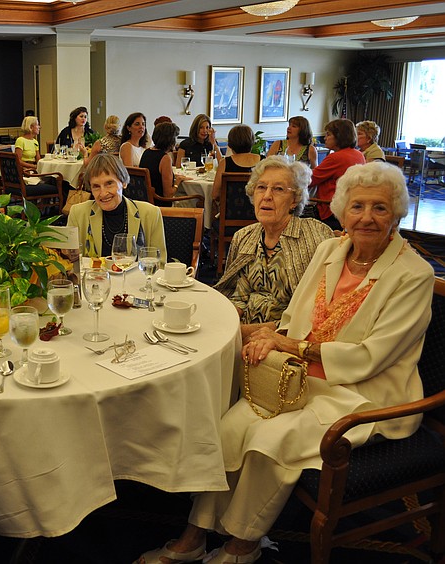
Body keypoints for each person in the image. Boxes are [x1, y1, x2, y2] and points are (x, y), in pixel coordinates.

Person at [136, 161, 433, 564]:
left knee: (266, 443)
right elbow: (295, 316)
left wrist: (290, 347)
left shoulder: (413, 274)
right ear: (342, 211)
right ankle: (196, 534)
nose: (366, 217)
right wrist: (270, 341)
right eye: (357, 206)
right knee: (229, 427)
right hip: (299, 379)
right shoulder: (331, 249)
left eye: (379, 208)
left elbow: (371, 357)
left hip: (365, 396)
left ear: (397, 213)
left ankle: (243, 544)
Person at [214, 156, 334, 340]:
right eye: (261, 187)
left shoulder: (315, 236)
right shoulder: (244, 236)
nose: (267, 196)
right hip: (242, 332)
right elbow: (237, 295)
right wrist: (227, 324)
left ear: (295, 199)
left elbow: (316, 308)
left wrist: (240, 333)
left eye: (278, 189)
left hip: (289, 336)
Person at [68, 153, 166, 258]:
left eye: (109, 183)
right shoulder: (78, 213)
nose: (103, 193)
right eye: (96, 186)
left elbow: (159, 264)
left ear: (123, 183)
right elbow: (72, 263)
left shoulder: (150, 214)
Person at [310, 118, 366, 231]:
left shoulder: (336, 157)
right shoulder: (358, 154)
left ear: (339, 136)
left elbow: (310, 179)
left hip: (330, 210)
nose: (325, 138)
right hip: (348, 207)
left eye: (328, 134)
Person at [139, 121, 188, 204]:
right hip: (160, 205)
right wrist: (177, 182)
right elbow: (168, 195)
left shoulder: (146, 152)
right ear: (171, 140)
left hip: (145, 202)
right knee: (194, 200)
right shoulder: (165, 158)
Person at [212, 125, 262, 201]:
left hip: (231, 211)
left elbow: (215, 195)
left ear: (230, 144)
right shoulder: (263, 161)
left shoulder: (225, 163)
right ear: (252, 142)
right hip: (259, 210)